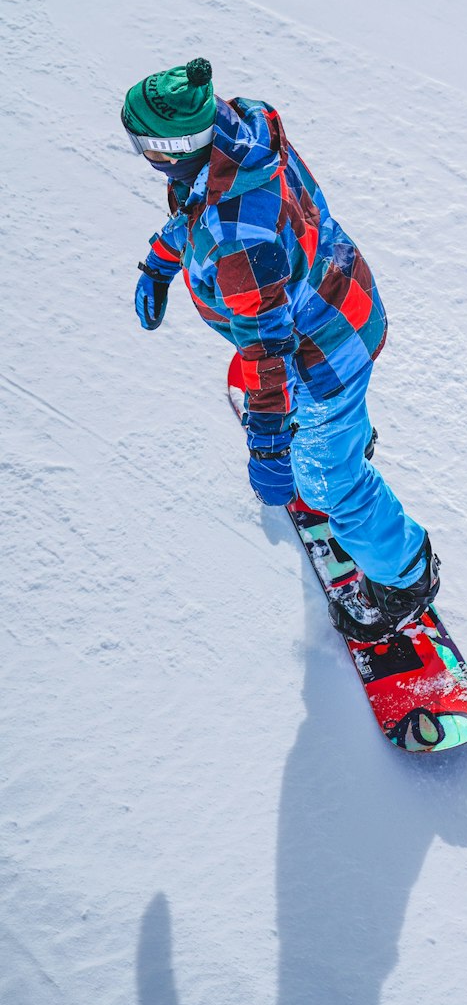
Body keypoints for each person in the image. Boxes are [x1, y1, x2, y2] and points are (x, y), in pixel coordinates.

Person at [123, 56, 439, 638]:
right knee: (324, 427)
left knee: (327, 485)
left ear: (170, 146)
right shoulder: (243, 136)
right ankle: (343, 436)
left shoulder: (238, 238)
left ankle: (404, 578)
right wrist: (164, 260)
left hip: (321, 358)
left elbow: (268, 350)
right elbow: (202, 213)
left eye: (142, 143)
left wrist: (269, 446)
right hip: (342, 298)